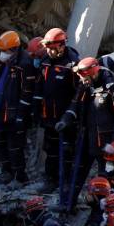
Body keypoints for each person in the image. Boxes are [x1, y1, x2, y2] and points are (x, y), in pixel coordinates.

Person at [54, 56, 114, 211]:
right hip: (86, 137)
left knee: (104, 178)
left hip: (105, 142)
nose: (81, 79)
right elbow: (74, 105)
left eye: (83, 76)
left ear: (92, 74)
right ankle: (68, 204)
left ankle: (103, 211)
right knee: (77, 171)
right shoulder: (85, 85)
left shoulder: (112, 87)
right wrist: (65, 120)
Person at [36, 27, 81, 193]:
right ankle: (50, 179)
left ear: (62, 46)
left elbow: (78, 95)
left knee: (67, 151)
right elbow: (39, 86)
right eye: (47, 48)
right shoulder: (46, 60)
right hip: (48, 115)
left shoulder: (72, 64)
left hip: (66, 118)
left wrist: (69, 117)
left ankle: (66, 182)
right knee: (50, 149)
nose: (49, 51)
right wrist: (37, 110)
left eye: (52, 48)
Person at [0, 32, 34, 183]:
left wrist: (21, 116)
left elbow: (27, 93)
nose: (2, 53)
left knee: (15, 147)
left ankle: (20, 177)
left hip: (13, 114)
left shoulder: (25, 64)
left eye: (4, 50)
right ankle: (6, 172)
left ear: (13, 49)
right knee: (0, 143)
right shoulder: (3, 61)